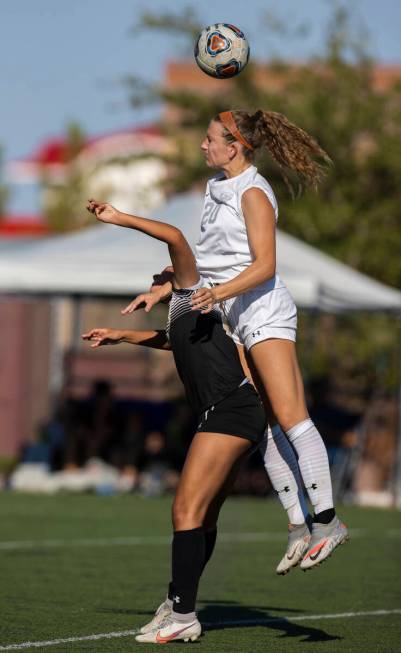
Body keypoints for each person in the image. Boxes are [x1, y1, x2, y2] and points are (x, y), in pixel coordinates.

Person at [127, 109, 349, 572]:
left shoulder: (252, 192)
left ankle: (328, 523)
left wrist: (217, 293)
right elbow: (211, 261)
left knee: (292, 418)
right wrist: (164, 288)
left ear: (235, 147)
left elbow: (264, 266)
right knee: (265, 425)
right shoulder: (216, 189)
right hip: (237, 318)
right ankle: (297, 526)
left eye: (211, 140)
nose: (203, 146)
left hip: (265, 314)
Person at [83, 199, 266, 644]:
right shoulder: (185, 311)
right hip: (232, 409)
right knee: (201, 517)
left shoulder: (191, 287)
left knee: (184, 509)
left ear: (176, 276)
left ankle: (182, 614)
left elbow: (175, 238)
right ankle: (178, 602)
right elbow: (176, 343)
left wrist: (120, 219)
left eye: (162, 273)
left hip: (231, 407)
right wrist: (121, 335)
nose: (158, 275)